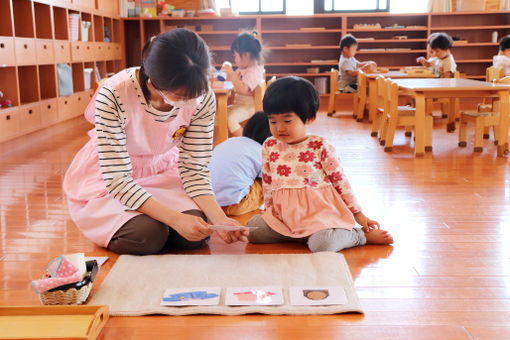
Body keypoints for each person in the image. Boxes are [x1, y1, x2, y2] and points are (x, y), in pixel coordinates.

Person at [63, 29, 247, 255]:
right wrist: (173, 219)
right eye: (181, 97)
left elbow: (194, 167)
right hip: (114, 178)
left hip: (161, 170)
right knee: (147, 236)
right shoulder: (113, 95)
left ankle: (161, 225)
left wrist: (221, 219)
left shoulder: (202, 94)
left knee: (194, 235)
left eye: (195, 95)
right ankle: (140, 227)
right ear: (152, 85)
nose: (190, 103)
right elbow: (118, 179)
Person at [247, 76, 393, 252]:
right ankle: (300, 235)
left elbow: (341, 183)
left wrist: (359, 216)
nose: (279, 128)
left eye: (287, 121)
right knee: (252, 230)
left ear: (309, 118)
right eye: (272, 121)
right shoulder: (269, 145)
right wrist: (269, 211)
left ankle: (358, 236)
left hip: (320, 218)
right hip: (285, 217)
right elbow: (268, 184)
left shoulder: (320, 146)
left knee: (322, 245)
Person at [209, 111, 272, 216]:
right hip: (236, 205)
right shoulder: (262, 151)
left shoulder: (230, 141)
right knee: (270, 179)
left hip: (209, 203)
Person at [221, 31, 265, 137]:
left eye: (235, 56)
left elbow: (243, 90)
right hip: (239, 105)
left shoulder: (253, 71)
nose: (234, 59)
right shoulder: (243, 68)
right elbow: (232, 80)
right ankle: (222, 140)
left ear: (246, 55)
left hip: (249, 107)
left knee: (231, 120)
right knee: (220, 113)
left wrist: (232, 74)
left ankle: (244, 143)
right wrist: (227, 74)